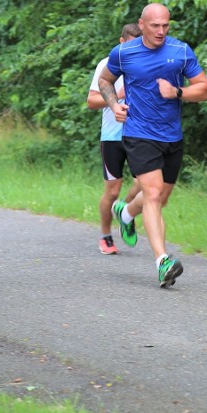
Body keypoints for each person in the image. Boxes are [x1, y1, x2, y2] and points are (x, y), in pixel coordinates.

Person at [98, 3, 207, 287]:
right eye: (155, 26)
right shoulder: (124, 53)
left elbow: (204, 89)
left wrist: (178, 91)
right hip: (138, 133)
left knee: (161, 199)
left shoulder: (180, 51)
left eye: (165, 25)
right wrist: (114, 105)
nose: (161, 31)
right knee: (152, 192)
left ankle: (125, 213)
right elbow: (105, 80)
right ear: (142, 24)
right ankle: (163, 262)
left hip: (171, 135)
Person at [87, 23, 143, 255]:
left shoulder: (146, 63)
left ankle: (124, 210)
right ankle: (105, 235)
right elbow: (91, 101)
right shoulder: (107, 64)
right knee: (112, 190)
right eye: (130, 45)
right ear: (121, 42)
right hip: (112, 136)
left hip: (141, 134)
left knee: (146, 184)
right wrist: (116, 96)